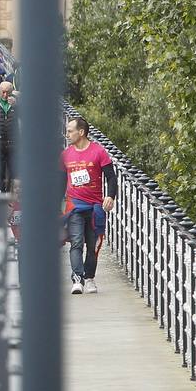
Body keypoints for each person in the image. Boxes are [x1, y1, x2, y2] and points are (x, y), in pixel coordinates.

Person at [61, 116, 116, 295]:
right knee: (76, 242)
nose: (67, 134)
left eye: (70, 130)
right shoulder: (66, 154)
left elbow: (111, 177)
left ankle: (89, 277)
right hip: (74, 206)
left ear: (81, 132)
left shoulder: (99, 152)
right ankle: (77, 279)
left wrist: (110, 196)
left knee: (92, 246)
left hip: (95, 207)